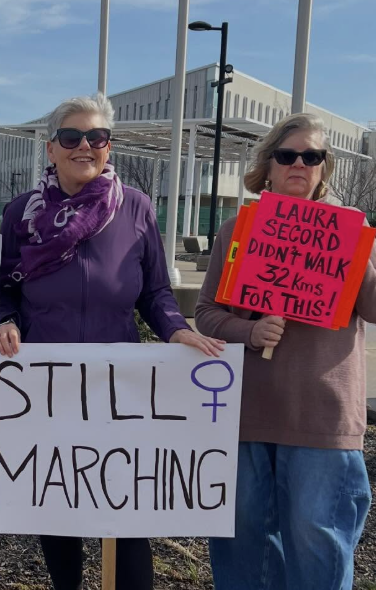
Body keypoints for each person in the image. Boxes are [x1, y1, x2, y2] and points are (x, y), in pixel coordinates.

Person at [0, 94, 225, 590]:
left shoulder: (136, 209)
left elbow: (156, 291)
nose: (84, 146)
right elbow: (4, 288)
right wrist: (6, 320)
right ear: (51, 149)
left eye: (95, 137)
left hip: (119, 390)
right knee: (56, 507)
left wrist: (175, 329)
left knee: (126, 515)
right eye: (71, 137)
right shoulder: (20, 215)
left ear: (107, 147)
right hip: (45, 386)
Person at [196, 112, 373, 590]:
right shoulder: (237, 229)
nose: (299, 163)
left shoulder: (351, 233)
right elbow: (207, 313)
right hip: (245, 416)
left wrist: (359, 250)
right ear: (269, 165)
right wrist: (249, 333)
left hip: (322, 418)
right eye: (287, 154)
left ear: (324, 168)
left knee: (318, 543)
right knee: (242, 542)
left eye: (312, 156)